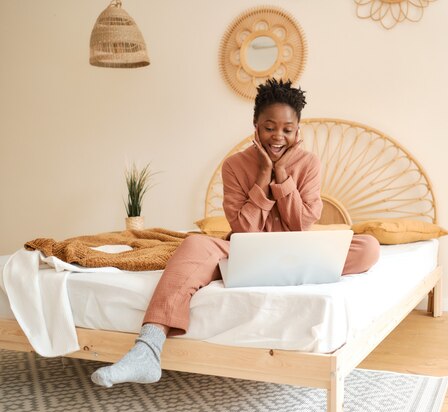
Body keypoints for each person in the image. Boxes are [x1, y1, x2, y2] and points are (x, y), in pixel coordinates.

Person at [91, 79, 380, 388]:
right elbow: (245, 230)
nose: (278, 136)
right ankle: (147, 349)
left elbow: (300, 224)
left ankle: (278, 269)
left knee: (369, 247)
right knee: (195, 244)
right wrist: (262, 176)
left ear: (298, 131)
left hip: (296, 249)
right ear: (255, 127)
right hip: (243, 251)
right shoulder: (234, 165)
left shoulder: (309, 164)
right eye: (270, 127)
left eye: (287, 129)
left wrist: (281, 176)